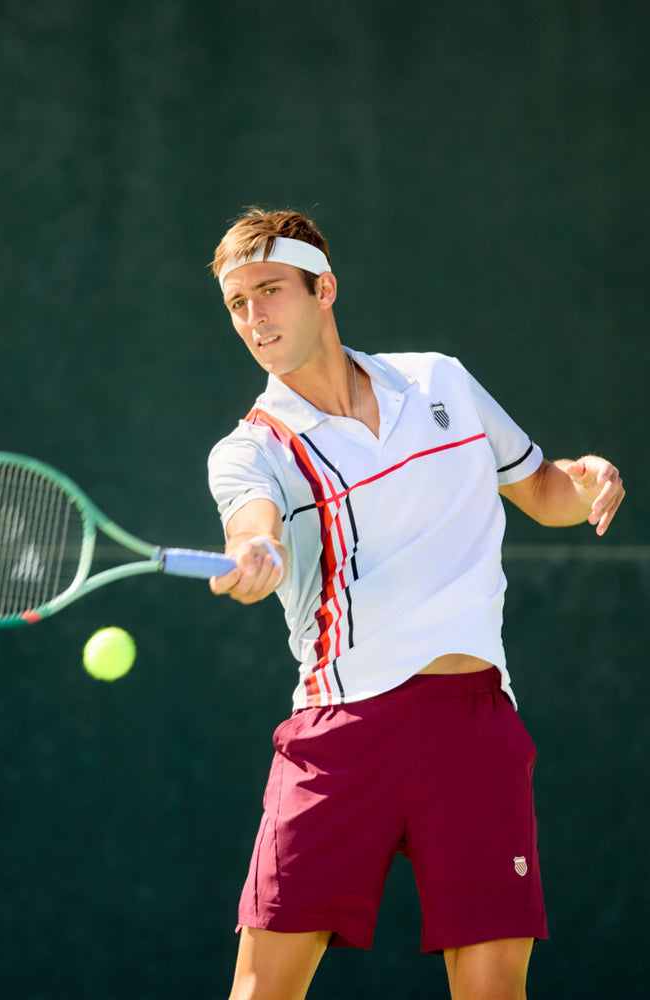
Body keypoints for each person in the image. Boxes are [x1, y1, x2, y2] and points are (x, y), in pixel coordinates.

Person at [205, 208, 624, 1000]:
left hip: (473, 724)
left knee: (496, 990)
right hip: (339, 735)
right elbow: (249, 523)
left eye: (269, 291)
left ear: (323, 288)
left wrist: (585, 479)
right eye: (236, 304)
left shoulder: (443, 382)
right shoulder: (250, 449)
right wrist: (255, 551)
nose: (254, 317)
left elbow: (539, 489)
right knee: (263, 993)